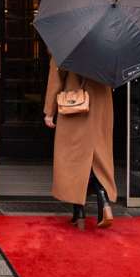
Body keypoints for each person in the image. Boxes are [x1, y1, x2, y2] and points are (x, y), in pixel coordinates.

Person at [43, 55, 117, 229]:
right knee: (97, 156)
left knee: (73, 158)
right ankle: (97, 203)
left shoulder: (67, 42)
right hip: (101, 104)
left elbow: (56, 77)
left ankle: (88, 204)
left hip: (74, 104)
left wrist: (49, 111)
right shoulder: (107, 45)